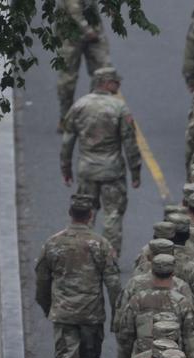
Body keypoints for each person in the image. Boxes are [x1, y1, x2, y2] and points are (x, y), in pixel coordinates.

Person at [36, 193, 121, 358]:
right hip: (91, 314)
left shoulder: (53, 243)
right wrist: (116, 314)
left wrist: (48, 307)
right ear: (91, 215)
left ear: (70, 214)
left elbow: (41, 281)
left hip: (63, 312)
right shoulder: (100, 244)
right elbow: (113, 283)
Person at [60, 67, 141, 256]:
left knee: (86, 214)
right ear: (105, 82)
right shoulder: (119, 108)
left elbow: (67, 141)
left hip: (87, 170)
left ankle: (83, 254)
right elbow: (130, 143)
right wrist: (135, 172)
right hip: (112, 171)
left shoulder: (79, 106)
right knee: (113, 215)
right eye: (115, 81)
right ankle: (109, 257)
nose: (118, 85)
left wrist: (66, 168)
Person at [55, 0, 111, 130]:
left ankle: (97, 115)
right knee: (67, 80)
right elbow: (74, 10)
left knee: (103, 72)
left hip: (94, 33)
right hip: (70, 35)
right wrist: (88, 31)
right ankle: (65, 117)